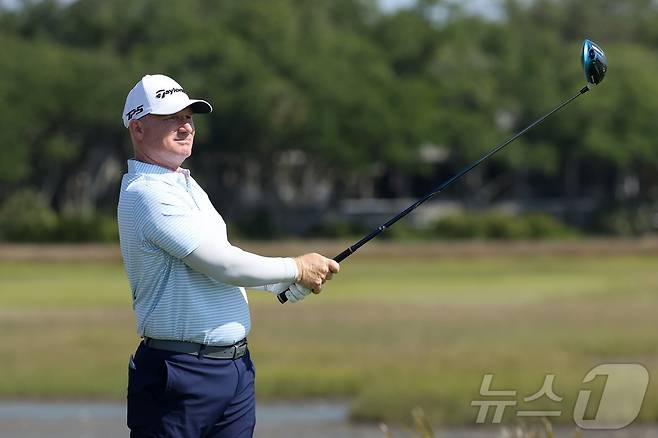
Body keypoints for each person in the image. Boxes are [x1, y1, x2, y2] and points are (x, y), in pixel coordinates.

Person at [117, 74, 339, 438]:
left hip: (234, 370)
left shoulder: (185, 185)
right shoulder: (147, 194)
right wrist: (295, 268)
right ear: (138, 129)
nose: (185, 125)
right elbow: (221, 264)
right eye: (171, 117)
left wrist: (280, 283)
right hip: (179, 372)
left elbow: (222, 263)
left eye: (189, 116)